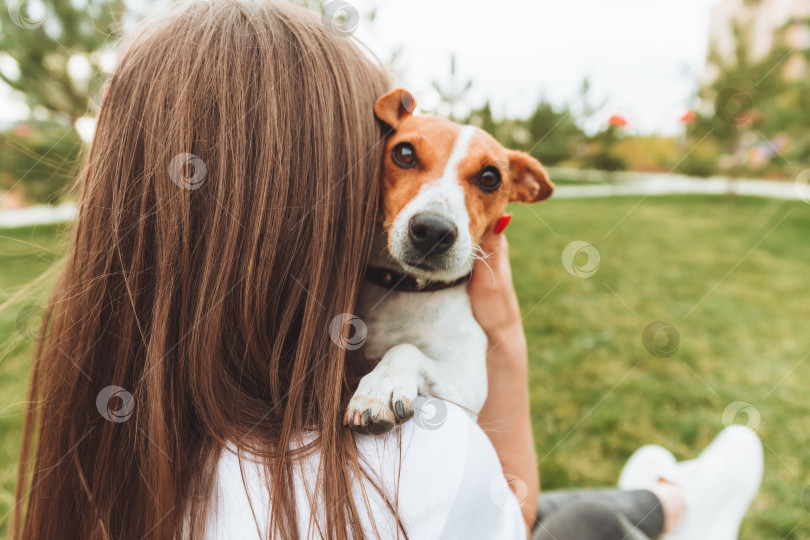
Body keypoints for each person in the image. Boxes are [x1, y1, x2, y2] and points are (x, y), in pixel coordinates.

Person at [11, 1, 763, 539]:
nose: (433, 207)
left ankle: (675, 490)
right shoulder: (425, 462)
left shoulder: (96, 448)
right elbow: (514, 505)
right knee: (588, 521)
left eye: (484, 180)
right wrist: (506, 344)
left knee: (597, 504)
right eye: (398, 153)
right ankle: (684, 500)